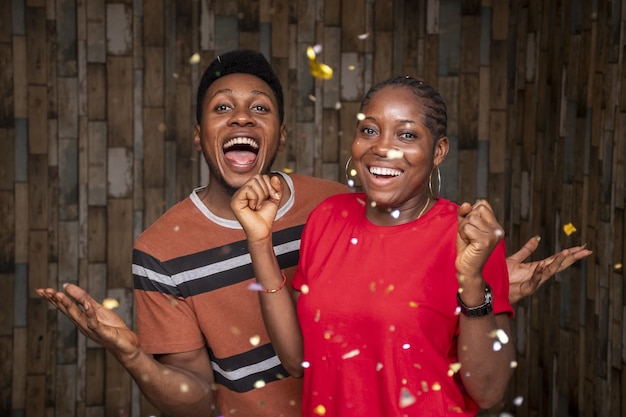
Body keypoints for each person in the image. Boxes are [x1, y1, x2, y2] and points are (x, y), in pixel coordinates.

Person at [36, 51, 591, 417]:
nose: (241, 120)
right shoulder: (169, 249)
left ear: (281, 132)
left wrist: (480, 291)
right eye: (222, 109)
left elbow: (475, 371)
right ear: (199, 135)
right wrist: (134, 356)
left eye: (260, 109)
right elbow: (226, 385)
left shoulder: (359, 210)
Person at [230, 75, 572, 416]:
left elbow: (488, 392)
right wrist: (260, 243)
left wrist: (471, 281)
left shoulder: (467, 238)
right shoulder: (327, 219)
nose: (383, 147)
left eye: (406, 135)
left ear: (438, 151)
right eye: (370, 130)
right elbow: (297, 361)